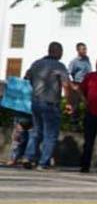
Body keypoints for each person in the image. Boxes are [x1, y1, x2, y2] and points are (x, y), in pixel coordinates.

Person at [22, 42, 73, 170]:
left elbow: (26, 78)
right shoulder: (59, 66)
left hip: (35, 101)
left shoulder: (36, 63)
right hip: (50, 103)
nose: (62, 54)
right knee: (50, 134)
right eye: (61, 51)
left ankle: (28, 157)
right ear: (56, 52)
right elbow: (66, 84)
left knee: (36, 131)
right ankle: (43, 163)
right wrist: (68, 102)